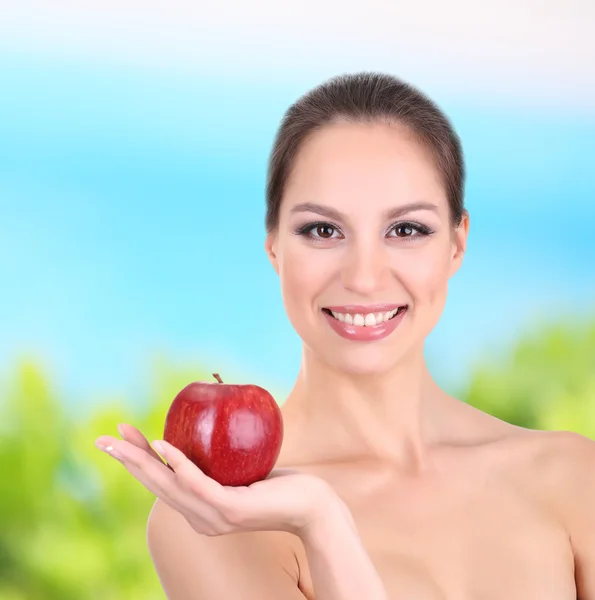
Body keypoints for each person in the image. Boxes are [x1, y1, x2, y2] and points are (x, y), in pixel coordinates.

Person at [95, 72, 595, 599]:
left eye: (406, 230)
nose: (363, 277)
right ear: (273, 247)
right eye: (322, 230)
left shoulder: (573, 476)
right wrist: (322, 522)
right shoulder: (217, 520)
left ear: (456, 244)